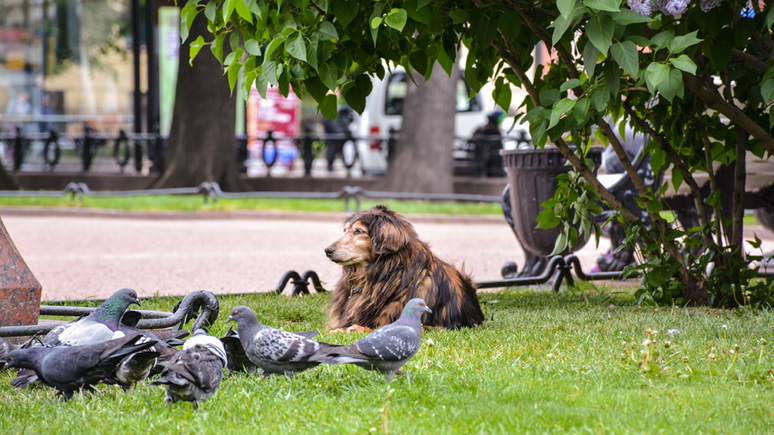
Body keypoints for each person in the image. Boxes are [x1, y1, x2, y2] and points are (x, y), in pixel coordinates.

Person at [470, 111, 506, 177]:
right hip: (491, 158)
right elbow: (499, 146)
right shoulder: (494, 130)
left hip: (480, 156)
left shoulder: (481, 129)